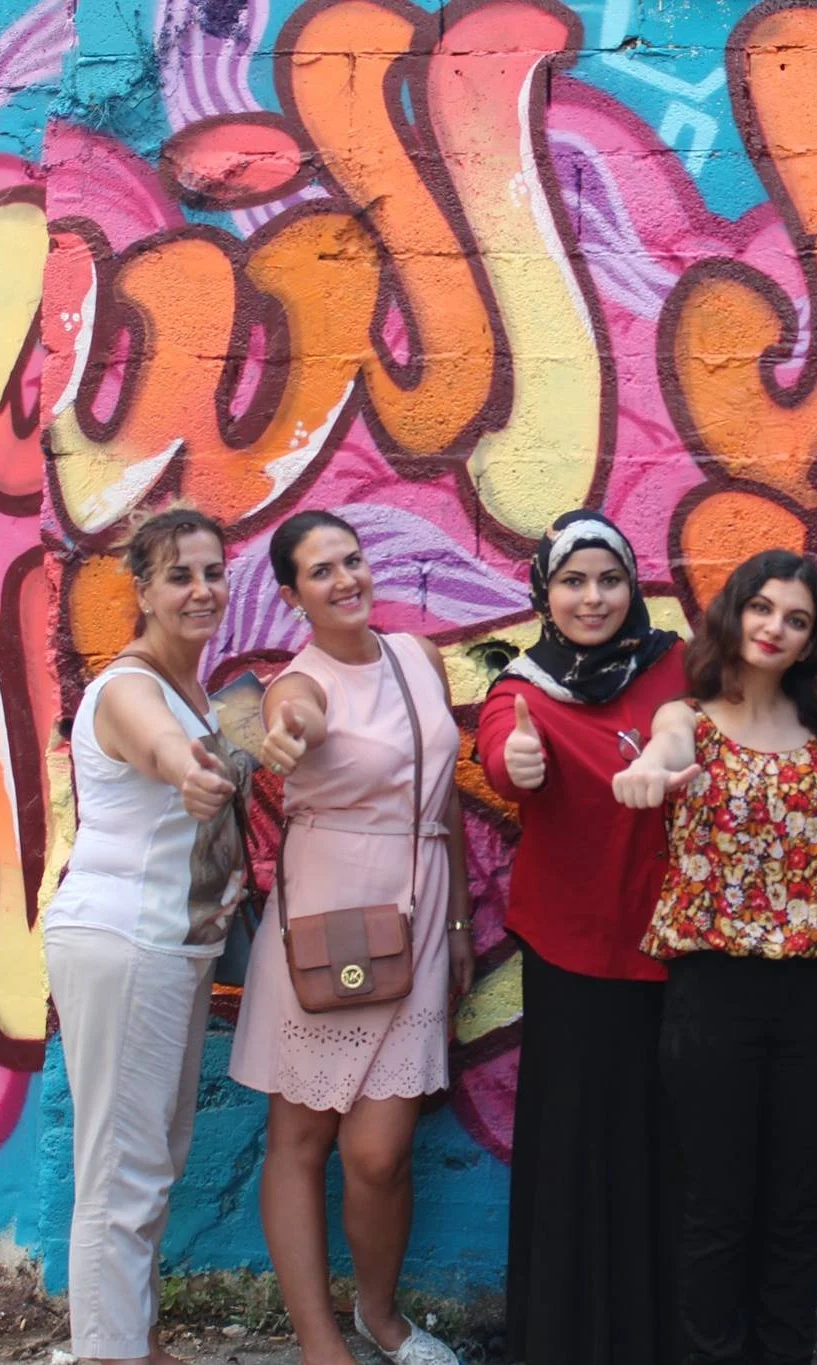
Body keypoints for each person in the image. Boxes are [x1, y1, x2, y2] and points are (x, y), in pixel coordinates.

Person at [612, 548, 817, 1365]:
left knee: (794, 1206)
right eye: (763, 608)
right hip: (712, 990)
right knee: (715, 1206)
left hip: (813, 993)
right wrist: (648, 769)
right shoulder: (690, 720)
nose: (775, 627)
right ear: (735, 613)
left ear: (815, 640)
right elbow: (664, 753)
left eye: (797, 619)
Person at [228, 510, 471, 1365]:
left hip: (419, 914)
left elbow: (442, 799)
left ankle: (381, 1313)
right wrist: (286, 731)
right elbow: (292, 716)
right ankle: (318, 1339)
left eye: (353, 561)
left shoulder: (418, 658)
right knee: (300, 1140)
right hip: (328, 927)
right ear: (294, 596)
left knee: (379, 1151)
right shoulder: (300, 682)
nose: (346, 580)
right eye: (321, 572)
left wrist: (461, 918)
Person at [475, 508, 687, 1365]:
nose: (592, 597)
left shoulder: (676, 664)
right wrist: (515, 766)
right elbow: (500, 753)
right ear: (545, 593)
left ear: (632, 585)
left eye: (608, 579)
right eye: (572, 580)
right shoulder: (521, 691)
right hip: (573, 961)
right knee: (573, 1154)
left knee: (670, 1150)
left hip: (683, 955)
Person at [45, 506, 247, 1365]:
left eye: (211, 572)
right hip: (127, 941)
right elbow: (162, 746)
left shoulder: (192, 683)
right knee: (121, 1172)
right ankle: (106, 1354)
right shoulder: (130, 688)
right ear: (144, 591)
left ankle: (131, 1340)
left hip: (169, 944)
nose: (200, 590)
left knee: (151, 1158)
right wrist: (190, 770)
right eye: (179, 576)